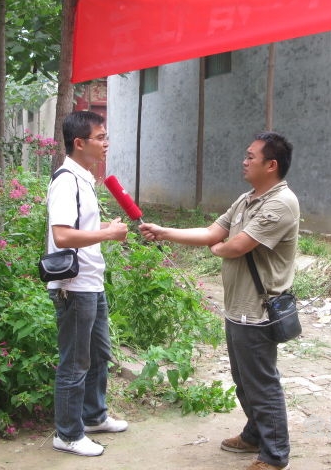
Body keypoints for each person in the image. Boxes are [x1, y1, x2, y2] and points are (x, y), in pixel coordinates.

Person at [140, 131, 299, 470]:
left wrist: (218, 248)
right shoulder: (247, 199)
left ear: (271, 165)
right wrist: (163, 231)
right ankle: (255, 433)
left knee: (261, 382)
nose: (244, 161)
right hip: (238, 308)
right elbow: (214, 232)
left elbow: (236, 245)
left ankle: (274, 455)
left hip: (259, 310)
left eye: (251, 157)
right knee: (244, 381)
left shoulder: (281, 203)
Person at [46, 111, 129, 457]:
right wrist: (109, 233)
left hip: (91, 282)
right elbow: (62, 236)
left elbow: (81, 230)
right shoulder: (66, 180)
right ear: (79, 143)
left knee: (98, 355)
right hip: (74, 286)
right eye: (100, 137)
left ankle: (93, 416)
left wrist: (102, 230)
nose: (106, 143)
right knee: (75, 362)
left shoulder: (85, 179)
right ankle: (66, 433)